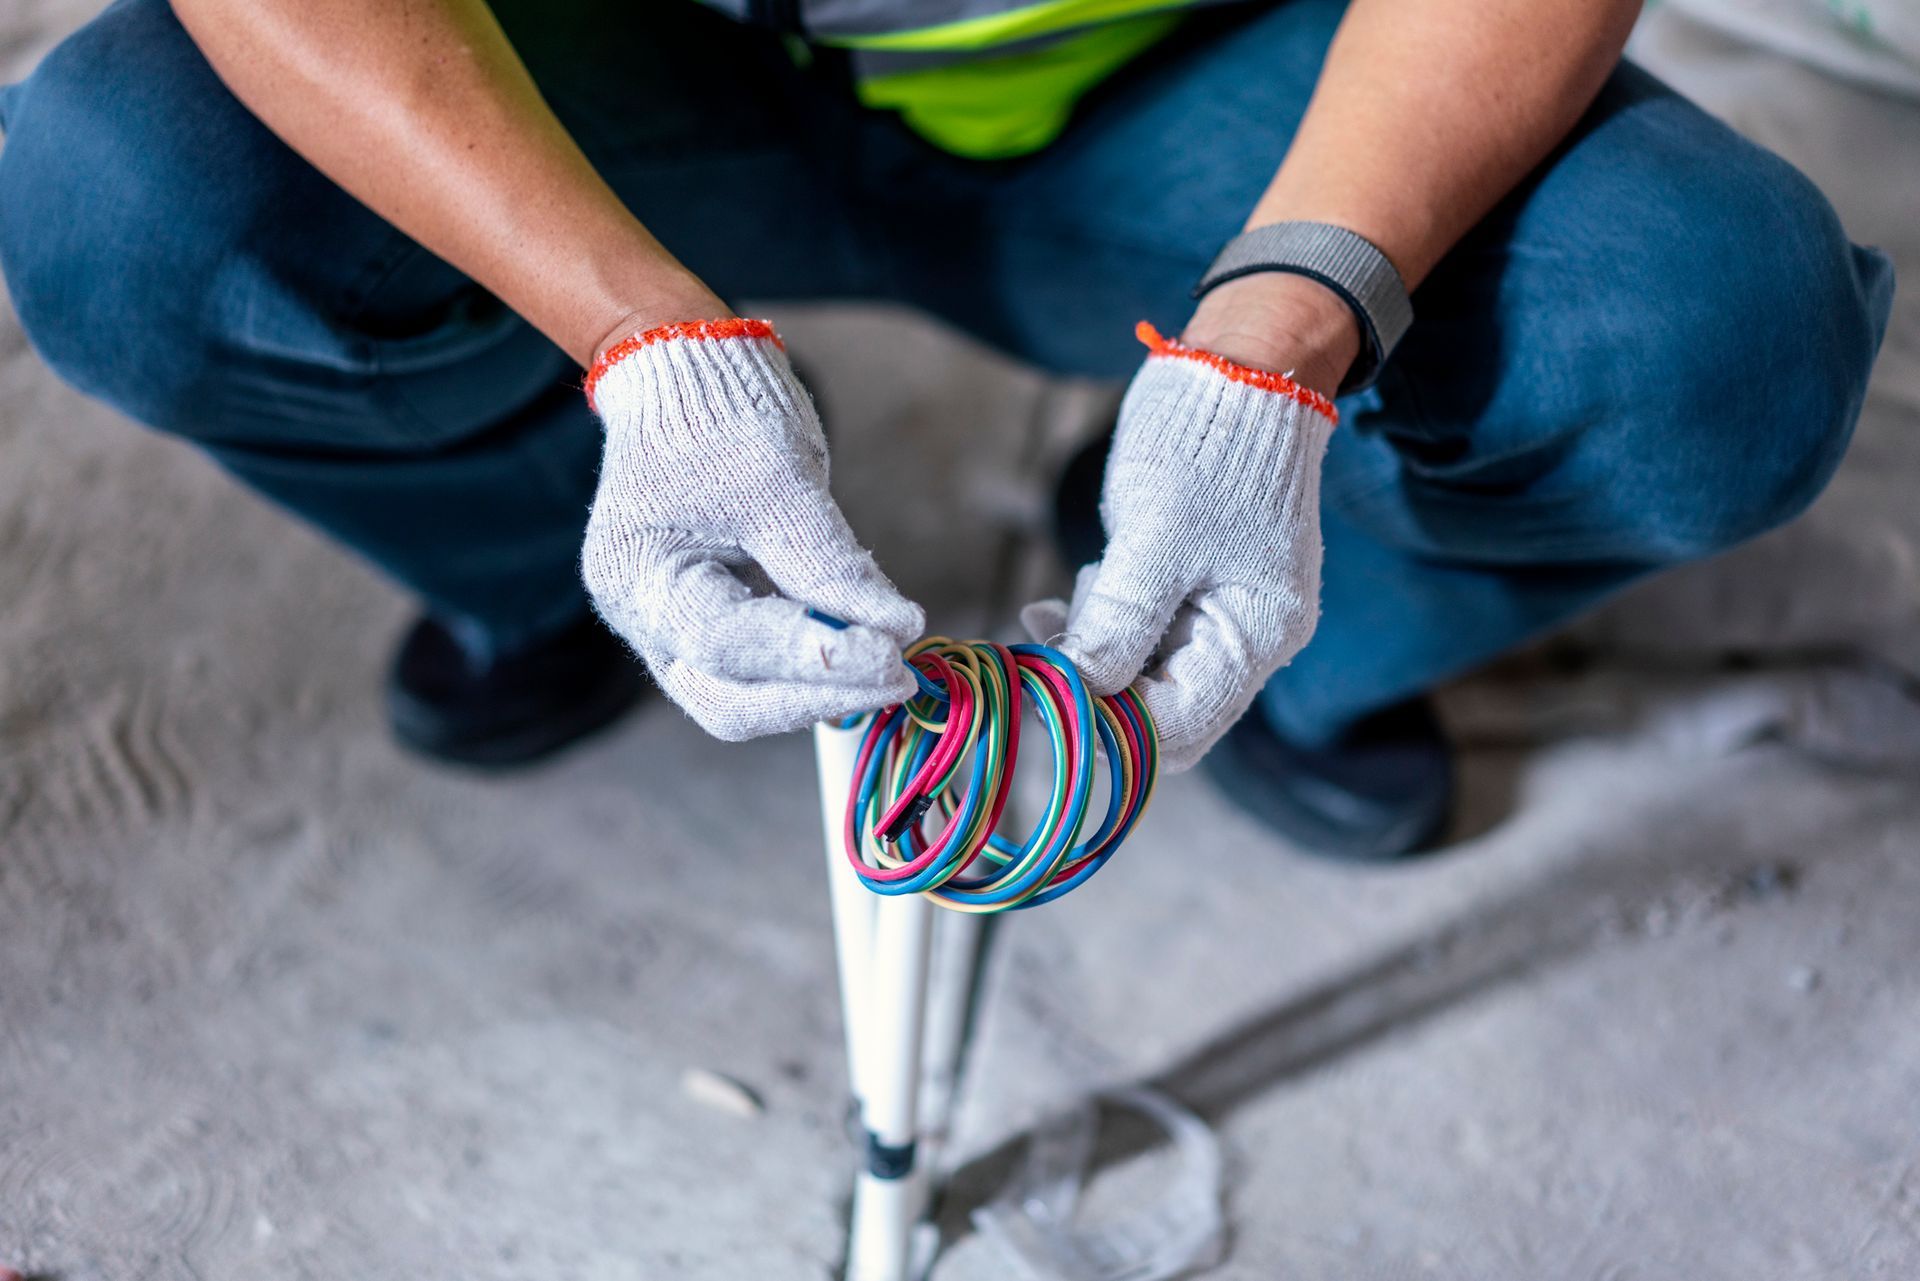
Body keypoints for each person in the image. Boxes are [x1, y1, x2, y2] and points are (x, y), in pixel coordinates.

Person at [0, 0, 1892, 861]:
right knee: (125, 202)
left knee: (1707, 335)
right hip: (645, 53)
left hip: (1211, 68)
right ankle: (572, 529)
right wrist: (635, 339)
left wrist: (1279, 348)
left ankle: (1268, 635)